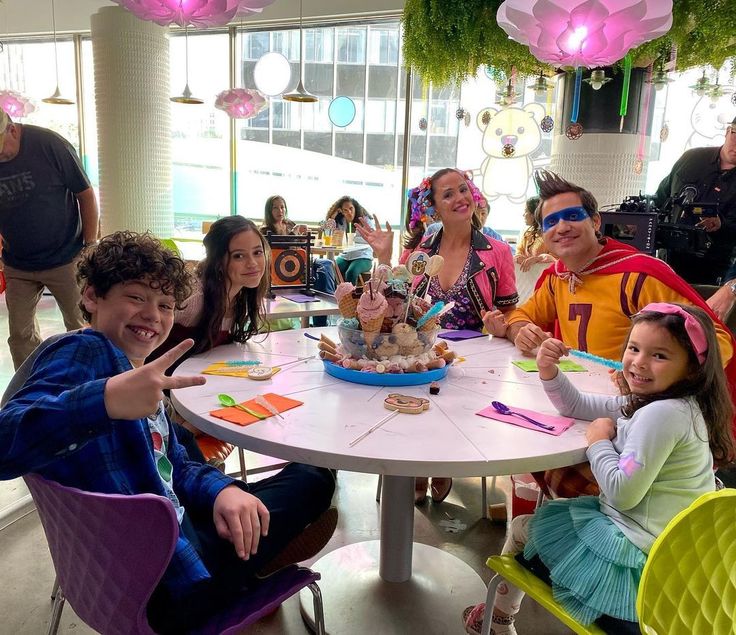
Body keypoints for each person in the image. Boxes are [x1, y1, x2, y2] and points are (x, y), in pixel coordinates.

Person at [0, 231, 336, 634]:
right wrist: (103, 400)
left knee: (238, 489)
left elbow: (172, 460)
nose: (153, 316)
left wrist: (220, 491)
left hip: (144, 560)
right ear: (91, 296)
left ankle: (250, 544)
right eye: (136, 297)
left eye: (165, 305)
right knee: (314, 476)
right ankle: (254, 560)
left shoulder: (135, 374)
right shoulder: (84, 353)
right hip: (171, 585)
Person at [463, 303, 735, 635]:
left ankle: (496, 620)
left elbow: (622, 494)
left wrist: (598, 442)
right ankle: (494, 620)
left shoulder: (660, 415)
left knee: (523, 528)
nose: (639, 362)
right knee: (550, 519)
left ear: (692, 368)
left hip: (637, 560)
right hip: (672, 554)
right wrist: (550, 371)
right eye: (634, 348)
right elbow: (578, 406)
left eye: (659, 356)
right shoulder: (676, 404)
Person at [487, 170, 736, 499]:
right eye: (551, 222)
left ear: (595, 222)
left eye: (572, 216)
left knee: (556, 472)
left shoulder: (640, 276)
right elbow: (521, 314)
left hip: (639, 424)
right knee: (528, 449)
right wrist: (520, 330)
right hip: (586, 407)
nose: (562, 227)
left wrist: (653, 386)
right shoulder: (558, 276)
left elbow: (715, 341)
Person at [356, 168, 518, 503]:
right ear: (434, 207)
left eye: (463, 189)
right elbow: (394, 298)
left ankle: (443, 464)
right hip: (416, 350)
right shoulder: (420, 252)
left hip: (470, 359)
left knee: (451, 409)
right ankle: (412, 467)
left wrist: (504, 325)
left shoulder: (498, 252)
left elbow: (510, 310)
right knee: (410, 408)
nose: (460, 198)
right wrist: (384, 259)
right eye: (448, 194)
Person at [0, 112, 99, 369]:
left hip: (65, 257)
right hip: (17, 262)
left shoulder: (49, 145)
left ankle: (82, 378)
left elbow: (86, 194)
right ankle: (30, 386)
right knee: (20, 335)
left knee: (79, 326)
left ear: (11, 129)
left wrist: (89, 246)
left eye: (0, 150)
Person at [652, 116, 736, 285]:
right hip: (666, 261)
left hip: (712, 273)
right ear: (728, 131)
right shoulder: (692, 158)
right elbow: (661, 198)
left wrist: (721, 225)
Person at [326, 196, 374, 285]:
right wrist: (333, 217)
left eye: (351, 208)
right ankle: (334, 295)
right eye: (345, 210)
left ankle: (349, 298)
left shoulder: (364, 219)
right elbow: (327, 233)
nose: (349, 212)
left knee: (351, 272)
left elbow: (373, 237)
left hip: (363, 256)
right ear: (341, 211)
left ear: (355, 207)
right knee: (332, 269)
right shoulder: (341, 220)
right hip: (346, 256)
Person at [514, 196, 554, 272]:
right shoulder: (527, 233)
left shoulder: (552, 235)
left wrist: (538, 259)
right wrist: (519, 257)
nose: (523, 215)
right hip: (528, 275)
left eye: (526, 211)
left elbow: (556, 259)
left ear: (534, 214)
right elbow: (519, 250)